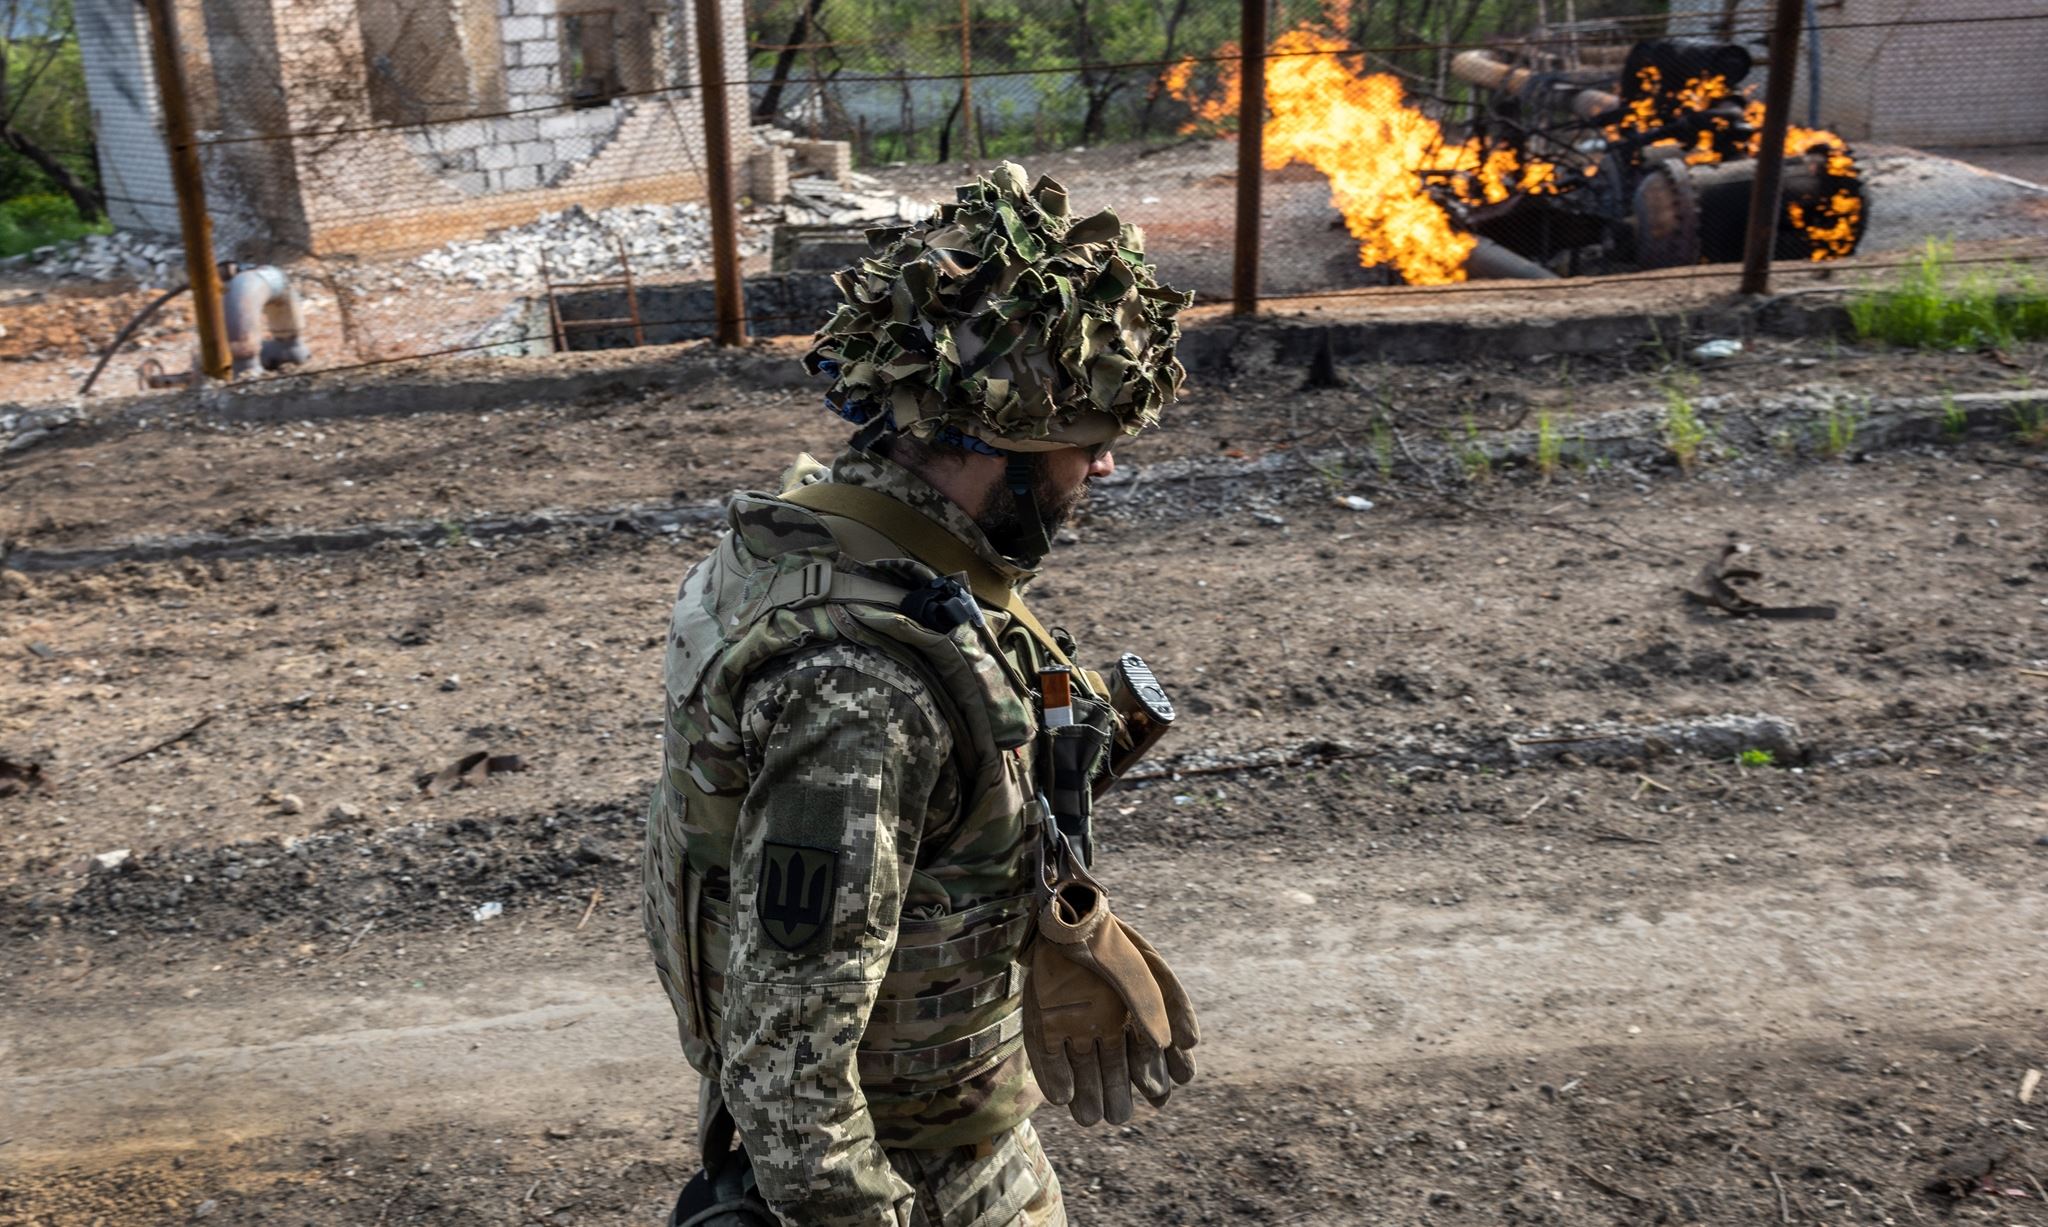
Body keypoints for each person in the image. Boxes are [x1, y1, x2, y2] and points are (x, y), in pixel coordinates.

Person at [641, 162, 1199, 1227]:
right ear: (998, 444)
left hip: (948, 1133)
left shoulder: (842, 540)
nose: (1103, 470)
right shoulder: (861, 688)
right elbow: (790, 1068)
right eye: (1086, 445)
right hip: (913, 1172)